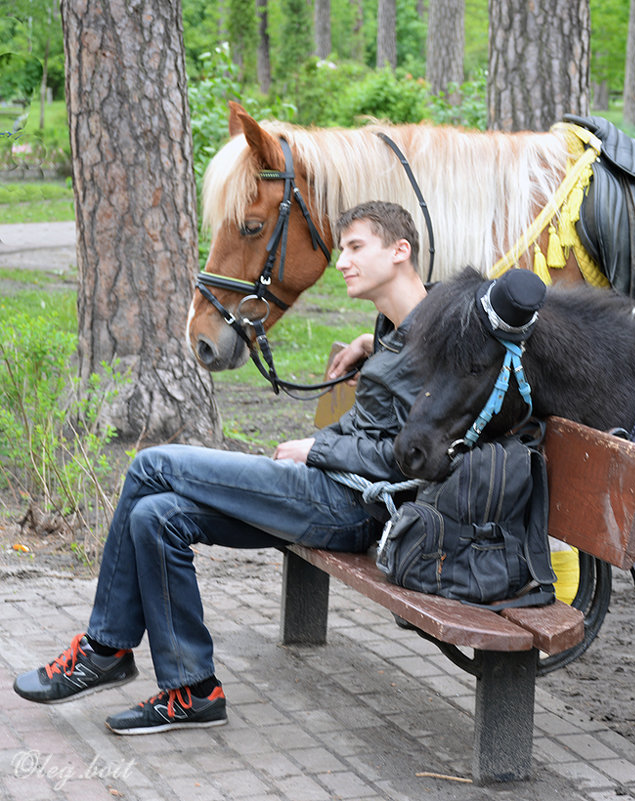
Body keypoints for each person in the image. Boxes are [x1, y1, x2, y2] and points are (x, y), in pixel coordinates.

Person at [12, 200, 427, 735]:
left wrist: (317, 449)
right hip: (326, 490)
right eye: (342, 248)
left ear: (399, 251)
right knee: (156, 517)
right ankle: (192, 690)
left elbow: (416, 457)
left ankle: (105, 649)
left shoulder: (437, 340)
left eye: (355, 248)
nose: (342, 261)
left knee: (150, 464)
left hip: (347, 503)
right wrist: (373, 345)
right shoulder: (399, 327)